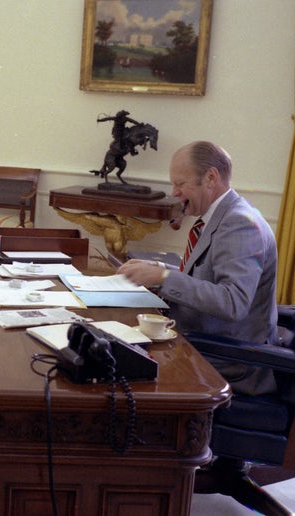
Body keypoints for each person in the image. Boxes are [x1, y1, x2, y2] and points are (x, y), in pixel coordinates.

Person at [117, 140, 279, 395]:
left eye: (181, 184)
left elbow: (232, 302)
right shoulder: (221, 215)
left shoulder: (239, 224)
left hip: (229, 360)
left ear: (211, 178)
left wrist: (163, 276)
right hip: (203, 340)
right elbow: (206, 274)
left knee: (120, 369)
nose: (174, 192)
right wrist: (158, 267)